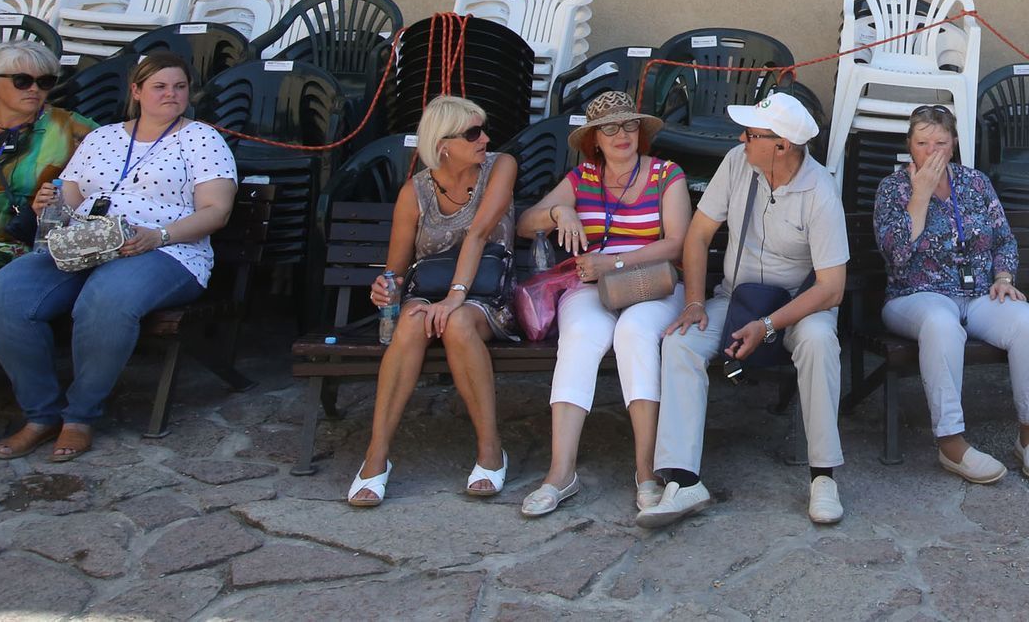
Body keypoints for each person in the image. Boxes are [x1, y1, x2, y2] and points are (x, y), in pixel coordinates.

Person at [0, 51, 235, 462]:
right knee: (6, 295)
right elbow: (73, 193)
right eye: (159, 86)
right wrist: (50, 199)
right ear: (136, 91)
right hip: (86, 244)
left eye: (180, 86)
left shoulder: (201, 138)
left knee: (106, 300)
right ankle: (40, 414)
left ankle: (80, 416)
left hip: (166, 249)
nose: (171, 94)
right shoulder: (103, 137)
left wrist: (158, 236)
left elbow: (216, 212)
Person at [638, 91, 848, 529]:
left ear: (782, 146)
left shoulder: (821, 191)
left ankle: (823, 476)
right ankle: (682, 479)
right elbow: (697, 235)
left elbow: (832, 288)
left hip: (799, 305)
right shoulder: (738, 162)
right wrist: (695, 301)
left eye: (752, 134)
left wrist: (769, 325)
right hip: (734, 299)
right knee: (681, 343)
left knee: (819, 341)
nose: (741, 138)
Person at [515, 91, 690, 516]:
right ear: (594, 139)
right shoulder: (581, 180)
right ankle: (561, 473)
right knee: (579, 335)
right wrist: (560, 214)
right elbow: (524, 223)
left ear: (641, 131)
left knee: (635, 334)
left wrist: (614, 260)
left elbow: (677, 243)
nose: (621, 134)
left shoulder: (667, 174)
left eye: (629, 124)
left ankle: (646, 471)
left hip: (653, 283)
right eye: (609, 127)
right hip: (593, 287)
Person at [347, 95, 517, 507]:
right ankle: (376, 456)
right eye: (473, 133)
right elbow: (397, 268)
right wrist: (385, 288)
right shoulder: (416, 192)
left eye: (483, 128)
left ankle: (490, 450)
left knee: (457, 323)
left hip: (486, 295)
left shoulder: (501, 166)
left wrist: (455, 298)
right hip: (428, 295)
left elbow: (478, 234)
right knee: (409, 321)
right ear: (443, 144)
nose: (485, 138)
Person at [876, 106, 1029, 484]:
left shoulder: (975, 184)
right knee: (942, 325)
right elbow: (896, 254)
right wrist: (920, 197)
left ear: (953, 145)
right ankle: (951, 443)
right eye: (922, 142)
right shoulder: (892, 188)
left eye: (940, 142)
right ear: (910, 145)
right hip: (914, 295)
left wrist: (1004, 275)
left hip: (976, 294)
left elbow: (1004, 239)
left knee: (1028, 322)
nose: (931, 151)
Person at [0, 42, 95, 462]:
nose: (36, 90)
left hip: (11, 245)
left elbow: (116, 172)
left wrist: (62, 199)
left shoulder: (70, 128)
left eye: (45, 82)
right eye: (23, 80)